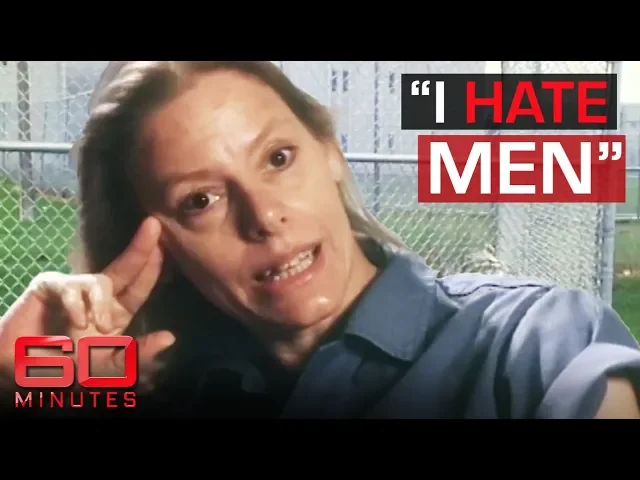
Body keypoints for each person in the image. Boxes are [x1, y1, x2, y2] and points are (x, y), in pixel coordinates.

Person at [1, 61, 639, 419]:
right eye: (200, 200)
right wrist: (15, 384)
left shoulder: (538, 345)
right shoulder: (156, 390)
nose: (264, 216)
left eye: (278, 158)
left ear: (330, 152)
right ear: (157, 250)